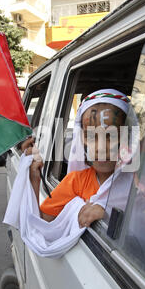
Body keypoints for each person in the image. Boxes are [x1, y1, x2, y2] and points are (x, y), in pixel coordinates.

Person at [21, 89, 131, 228]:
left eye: (111, 136)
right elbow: (41, 222)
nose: (101, 148)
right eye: (91, 137)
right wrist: (34, 177)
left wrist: (106, 211)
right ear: (82, 140)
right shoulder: (76, 182)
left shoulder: (140, 185)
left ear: (128, 137)